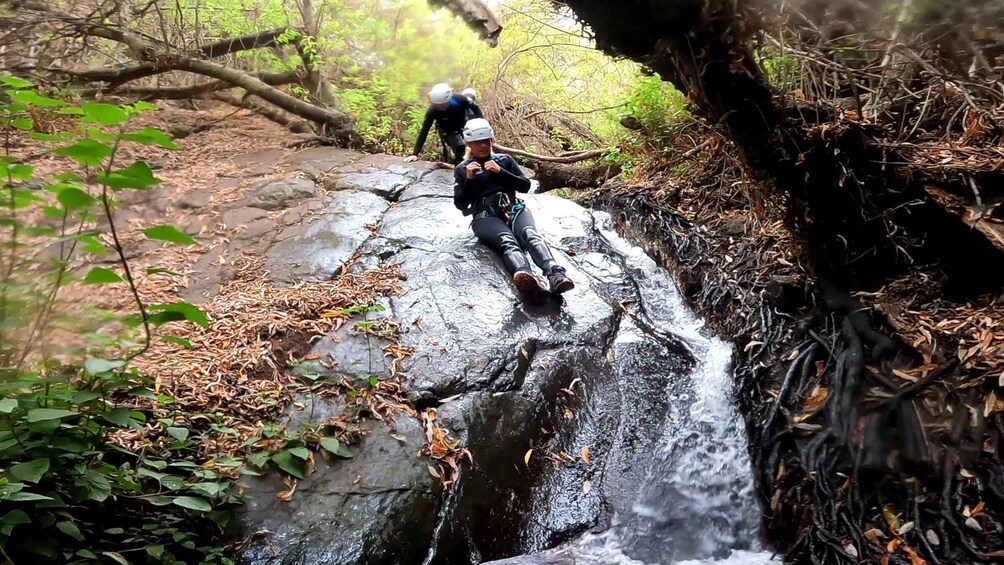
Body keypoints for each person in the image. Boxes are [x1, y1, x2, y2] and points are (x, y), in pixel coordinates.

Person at [453, 118, 575, 300]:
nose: (482, 146)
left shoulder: (504, 160)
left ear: (491, 141)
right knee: (506, 240)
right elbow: (461, 204)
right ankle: (525, 276)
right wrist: (470, 179)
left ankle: (556, 274)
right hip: (485, 216)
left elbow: (525, 186)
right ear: (469, 143)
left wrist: (500, 172)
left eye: (486, 141)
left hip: (514, 208)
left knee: (530, 234)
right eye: (477, 142)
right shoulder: (462, 169)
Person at [405, 83, 483, 165]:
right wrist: (415, 153)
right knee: (459, 147)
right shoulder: (432, 110)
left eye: (444, 104)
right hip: (447, 130)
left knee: (475, 144)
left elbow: (476, 109)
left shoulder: (459, 99)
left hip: (462, 125)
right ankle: (459, 169)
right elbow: (424, 131)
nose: (441, 107)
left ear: (449, 99)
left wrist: (481, 126)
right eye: (439, 105)